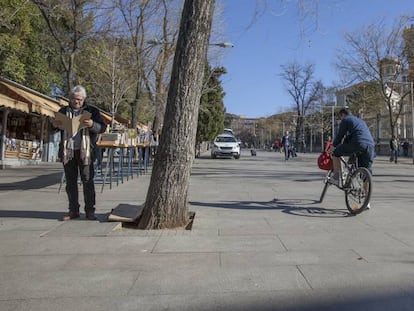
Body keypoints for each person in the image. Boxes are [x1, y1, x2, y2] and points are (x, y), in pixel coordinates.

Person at [52, 85, 107, 221]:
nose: (77, 102)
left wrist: (92, 124)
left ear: (84, 99)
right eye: (74, 99)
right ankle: (73, 210)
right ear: (70, 99)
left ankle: (90, 211)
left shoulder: (92, 111)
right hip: (68, 151)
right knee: (70, 182)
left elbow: (102, 128)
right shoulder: (63, 111)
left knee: (88, 181)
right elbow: (52, 129)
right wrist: (54, 125)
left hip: (86, 152)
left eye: (79, 100)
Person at [328, 108, 375, 193]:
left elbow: (340, 135)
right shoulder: (361, 121)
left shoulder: (346, 120)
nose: (340, 119)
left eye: (340, 117)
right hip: (370, 145)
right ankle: (366, 199)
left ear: (342, 114)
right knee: (366, 170)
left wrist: (332, 147)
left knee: (336, 153)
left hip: (357, 143)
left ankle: (336, 177)